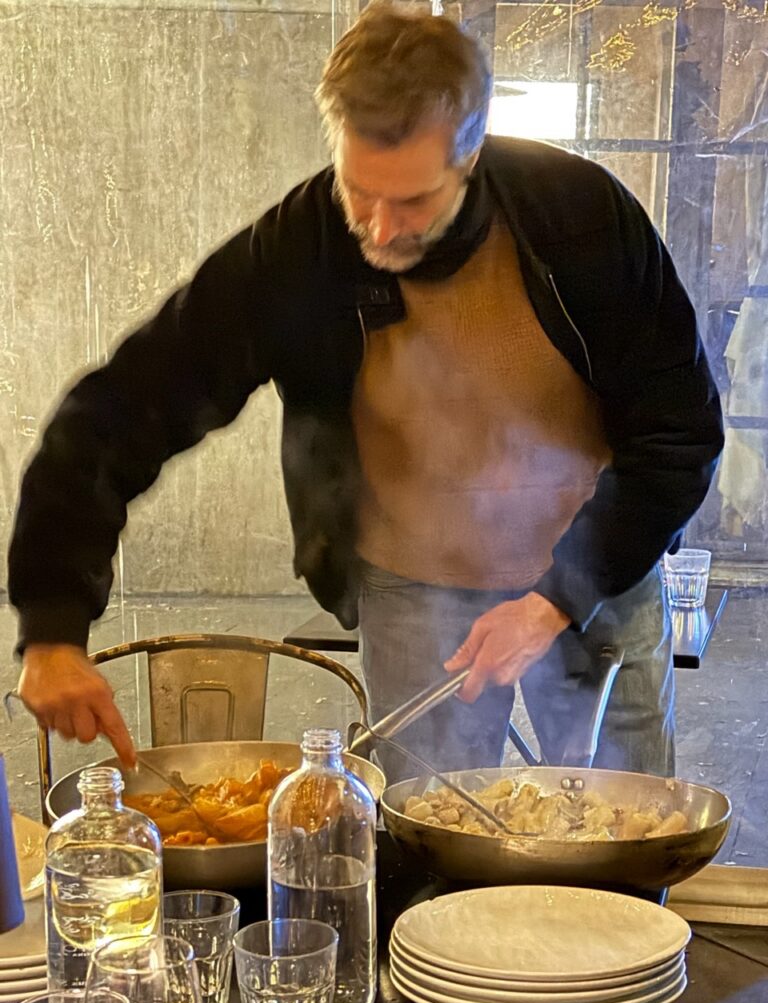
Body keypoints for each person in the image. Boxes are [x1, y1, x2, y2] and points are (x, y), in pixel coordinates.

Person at [8, 2, 723, 781]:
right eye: (359, 191)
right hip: (414, 589)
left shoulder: (581, 219)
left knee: (622, 825)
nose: (379, 230)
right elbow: (122, 413)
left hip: (602, 569)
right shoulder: (299, 249)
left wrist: (560, 594)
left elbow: (679, 433)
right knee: (424, 836)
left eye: (413, 201)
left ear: (471, 152)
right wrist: (52, 625)